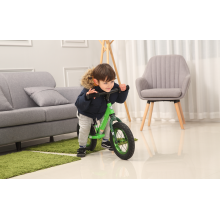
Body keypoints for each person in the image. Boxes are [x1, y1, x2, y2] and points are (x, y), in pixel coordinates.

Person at [75, 63, 129, 157]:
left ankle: (105, 141)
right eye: (105, 83)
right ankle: (82, 147)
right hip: (86, 113)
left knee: (108, 122)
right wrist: (87, 96)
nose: (109, 85)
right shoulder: (90, 88)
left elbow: (120, 100)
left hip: (101, 112)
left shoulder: (113, 87)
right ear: (96, 81)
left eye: (112, 81)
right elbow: (78, 104)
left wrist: (123, 90)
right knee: (85, 128)